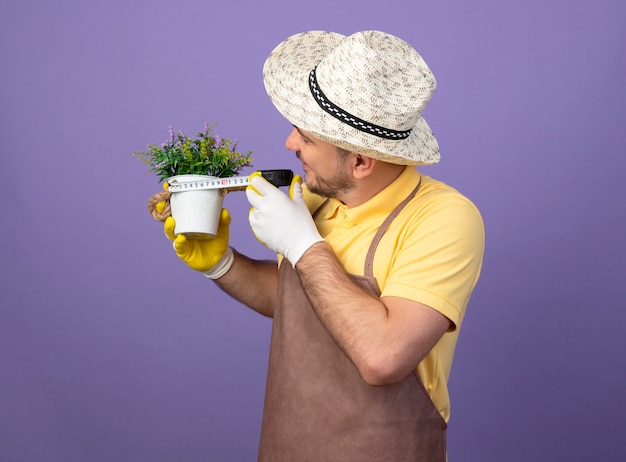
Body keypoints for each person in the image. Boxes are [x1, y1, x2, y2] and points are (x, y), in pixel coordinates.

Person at [162, 30, 484, 461]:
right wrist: (222, 263)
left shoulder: (443, 219)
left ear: (361, 162)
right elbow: (298, 299)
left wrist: (303, 244)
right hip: (286, 444)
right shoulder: (315, 197)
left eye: (307, 138)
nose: (290, 144)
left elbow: (383, 357)